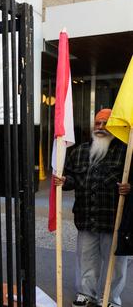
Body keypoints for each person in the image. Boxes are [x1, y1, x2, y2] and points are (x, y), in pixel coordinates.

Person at [53, 108, 130, 307]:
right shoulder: (79, 151)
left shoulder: (126, 152)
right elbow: (72, 180)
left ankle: (111, 299)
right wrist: (63, 180)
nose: (101, 127)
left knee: (116, 265)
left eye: (105, 123)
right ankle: (86, 294)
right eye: (98, 123)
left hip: (114, 221)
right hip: (86, 218)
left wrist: (130, 187)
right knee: (86, 261)